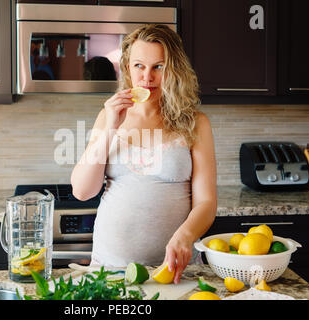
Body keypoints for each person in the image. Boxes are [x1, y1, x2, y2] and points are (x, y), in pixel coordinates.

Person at [70, 24, 217, 284]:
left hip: (175, 269)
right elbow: (83, 191)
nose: (147, 77)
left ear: (174, 70)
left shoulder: (195, 122)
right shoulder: (108, 115)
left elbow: (206, 202)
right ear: (128, 68)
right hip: (110, 267)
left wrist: (185, 235)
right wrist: (111, 127)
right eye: (139, 66)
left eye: (158, 67)